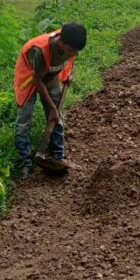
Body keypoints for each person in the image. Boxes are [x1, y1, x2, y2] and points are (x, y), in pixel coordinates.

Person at [13, 23, 87, 176]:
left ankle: (57, 156)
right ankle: (25, 163)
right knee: (24, 120)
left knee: (57, 118)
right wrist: (52, 108)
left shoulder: (70, 42)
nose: (74, 54)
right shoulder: (40, 50)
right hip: (30, 76)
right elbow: (38, 80)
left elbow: (69, 60)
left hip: (50, 75)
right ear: (62, 42)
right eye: (72, 50)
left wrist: (67, 75)